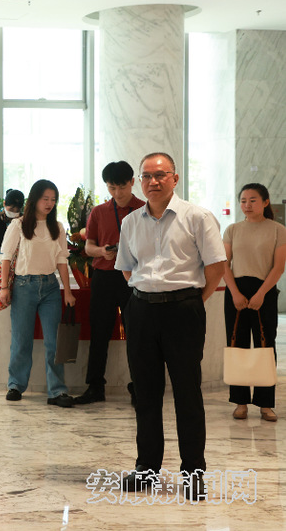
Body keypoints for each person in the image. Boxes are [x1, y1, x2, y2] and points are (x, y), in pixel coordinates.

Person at [115, 152, 226, 501]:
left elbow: (216, 267)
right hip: (141, 311)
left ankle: (193, 472)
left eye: (160, 175)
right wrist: (148, 294)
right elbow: (127, 268)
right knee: (145, 394)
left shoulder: (197, 217)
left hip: (183, 311)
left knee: (187, 393)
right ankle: (146, 468)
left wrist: (192, 301)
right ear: (140, 181)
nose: (153, 181)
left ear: (175, 179)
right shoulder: (131, 222)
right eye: (147, 176)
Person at [0, 179, 76, 407]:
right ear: (34, 199)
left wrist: (67, 291)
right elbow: (6, 257)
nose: (49, 203)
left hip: (50, 287)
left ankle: (57, 391)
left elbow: (62, 260)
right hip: (24, 286)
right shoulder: (19, 225)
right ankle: (15, 385)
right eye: (45, 199)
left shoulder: (57, 227)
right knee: (21, 340)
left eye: (53, 199)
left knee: (54, 342)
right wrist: (4, 287)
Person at [74, 161, 144, 405]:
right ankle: (95, 387)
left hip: (134, 277)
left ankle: (139, 387)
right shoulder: (99, 212)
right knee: (99, 332)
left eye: (122, 187)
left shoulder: (144, 209)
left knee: (137, 333)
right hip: (104, 275)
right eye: (112, 188)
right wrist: (102, 251)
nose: (117, 193)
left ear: (132, 182)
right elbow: (88, 247)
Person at [222, 183, 286, 422]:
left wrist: (261, 294)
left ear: (265, 202)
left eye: (253, 200)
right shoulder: (232, 229)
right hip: (236, 292)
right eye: (243, 201)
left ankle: (265, 404)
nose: (247, 205)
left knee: (265, 346)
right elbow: (224, 264)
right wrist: (235, 293)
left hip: (264, 291)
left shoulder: (278, 230)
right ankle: (240, 402)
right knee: (236, 345)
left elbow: (278, 267)